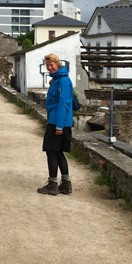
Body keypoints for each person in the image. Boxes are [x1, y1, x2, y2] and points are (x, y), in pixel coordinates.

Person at [37, 53, 74, 196]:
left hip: (58, 122)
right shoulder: (59, 80)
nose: (49, 68)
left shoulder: (63, 80)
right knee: (58, 152)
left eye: (51, 65)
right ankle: (65, 184)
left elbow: (64, 103)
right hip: (59, 121)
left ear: (58, 64)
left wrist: (59, 126)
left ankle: (53, 184)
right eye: (47, 65)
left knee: (51, 151)